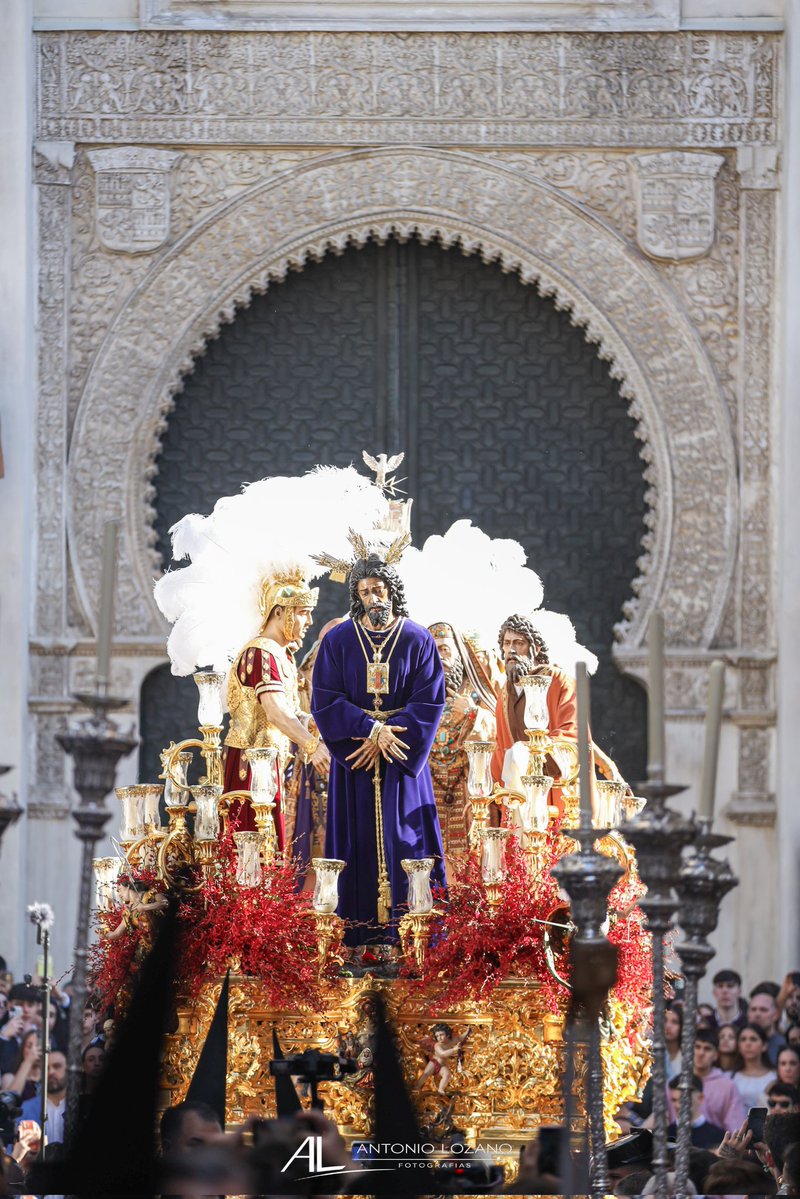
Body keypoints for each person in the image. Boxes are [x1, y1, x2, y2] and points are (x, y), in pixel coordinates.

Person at [312, 549, 446, 948]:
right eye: (366, 591)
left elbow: (430, 701)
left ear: (393, 592)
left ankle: (414, 941)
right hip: (356, 758)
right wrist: (370, 731)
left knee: (407, 842)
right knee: (354, 846)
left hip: (401, 760)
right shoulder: (337, 640)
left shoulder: (418, 638)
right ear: (357, 596)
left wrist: (390, 737)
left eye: (380, 589)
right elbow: (325, 700)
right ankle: (355, 940)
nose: (374, 598)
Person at [224, 569, 330, 845]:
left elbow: (291, 710)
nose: (309, 621)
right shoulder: (261, 652)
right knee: (256, 844)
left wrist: (320, 724)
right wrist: (311, 746)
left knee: (274, 842)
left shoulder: (284, 654)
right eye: (303, 612)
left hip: (274, 762)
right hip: (252, 763)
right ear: (280, 612)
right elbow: (274, 710)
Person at [490, 614, 622, 809]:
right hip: (520, 797)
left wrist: (527, 753)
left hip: (557, 789)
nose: (511, 650)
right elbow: (501, 747)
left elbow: (574, 732)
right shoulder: (504, 695)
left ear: (534, 649)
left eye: (519, 643)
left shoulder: (558, 680)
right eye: (506, 643)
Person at [427, 621, 497, 863]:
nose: (440, 658)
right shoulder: (417, 694)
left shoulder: (476, 691)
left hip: (467, 787)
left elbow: (499, 733)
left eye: (445, 649)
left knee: (472, 857)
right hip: (429, 787)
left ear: (459, 653)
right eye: (433, 651)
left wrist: (473, 713)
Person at [691, 1028, 746, 1132]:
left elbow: (735, 1129)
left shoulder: (728, 1086)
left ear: (716, 1055)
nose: (701, 1053)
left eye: (707, 1049)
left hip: (716, 1145)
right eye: (697, 1047)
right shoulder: (678, 1082)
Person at [18, 1048, 67, 1146]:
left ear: (68, 1070)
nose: (51, 1072)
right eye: (46, 1068)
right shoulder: (26, 1109)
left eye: (57, 1066)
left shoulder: (81, 1107)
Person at [666, 1073, 726, 1148]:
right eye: (674, 1100)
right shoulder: (664, 1135)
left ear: (700, 1098)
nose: (678, 1105)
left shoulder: (719, 1137)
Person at [731, 1022, 777, 1108]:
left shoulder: (774, 1077)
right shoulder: (731, 1076)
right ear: (738, 1046)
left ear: (764, 1046)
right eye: (743, 1039)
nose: (748, 1044)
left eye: (753, 1039)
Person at [749, 988, 788, 1066]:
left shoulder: (785, 1045)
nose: (757, 1014)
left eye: (763, 1010)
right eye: (753, 1009)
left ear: (775, 1015)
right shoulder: (737, 1043)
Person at [665, 1003, 683, 1078]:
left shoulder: (686, 1056)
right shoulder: (650, 1052)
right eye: (665, 1020)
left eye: (674, 1022)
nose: (668, 1026)